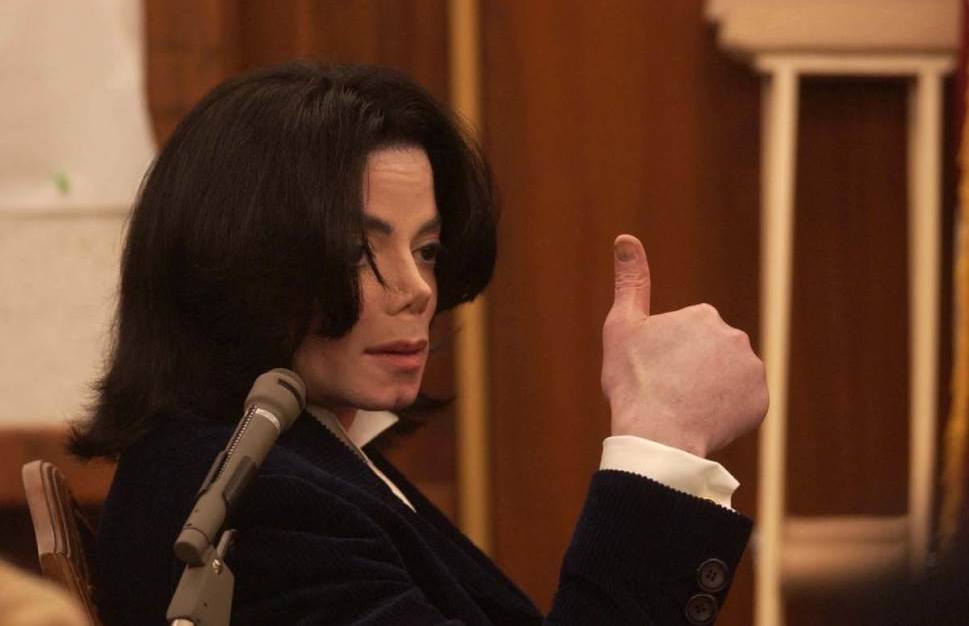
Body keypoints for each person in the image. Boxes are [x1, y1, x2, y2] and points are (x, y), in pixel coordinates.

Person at [70, 61, 768, 625]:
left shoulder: (280, 449)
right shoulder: (264, 501)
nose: (418, 290)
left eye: (427, 249)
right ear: (237, 259)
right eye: (360, 250)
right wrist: (661, 440)